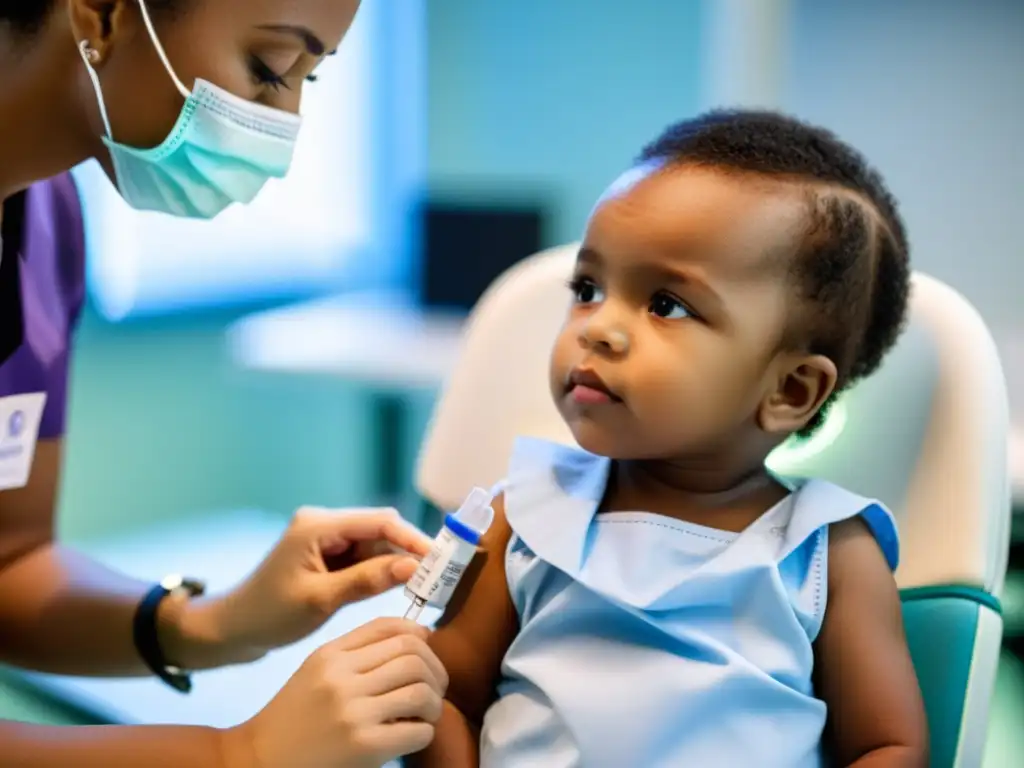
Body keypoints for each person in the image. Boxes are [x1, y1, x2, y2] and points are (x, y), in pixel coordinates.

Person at [0, 1, 448, 766]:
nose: (283, 129)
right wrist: (237, 755)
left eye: (311, 78)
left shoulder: (46, 223)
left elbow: (10, 564)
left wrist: (220, 622)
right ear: (101, 14)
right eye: (271, 68)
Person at [409, 110, 930, 767]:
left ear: (790, 391)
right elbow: (443, 700)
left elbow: (888, 746)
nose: (598, 328)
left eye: (667, 306)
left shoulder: (826, 551)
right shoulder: (524, 519)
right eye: (588, 289)